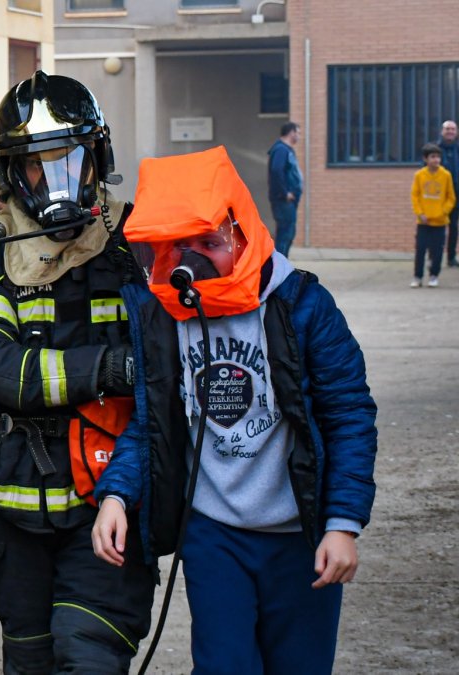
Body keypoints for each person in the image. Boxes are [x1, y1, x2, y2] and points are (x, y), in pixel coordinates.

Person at [93, 145, 377, 675]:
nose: (195, 257)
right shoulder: (166, 315)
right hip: (214, 531)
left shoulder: (302, 305)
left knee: (299, 664)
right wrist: (116, 492)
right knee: (224, 664)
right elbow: (153, 418)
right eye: (180, 245)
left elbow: (349, 416)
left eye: (210, 242)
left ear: (241, 235)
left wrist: (343, 523)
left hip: (298, 533)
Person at [0, 71, 152, 673]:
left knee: (88, 654)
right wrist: (111, 367)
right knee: (31, 659)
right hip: (17, 501)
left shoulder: (135, 241)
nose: (56, 177)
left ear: (98, 158)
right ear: (13, 172)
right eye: (39, 164)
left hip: (111, 495)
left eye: (70, 158)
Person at [410, 143, 456, 288]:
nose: (436, 160)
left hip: (440, 222)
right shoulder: (419, 175)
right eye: (433, 157)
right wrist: (420, 213)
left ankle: (434, 276)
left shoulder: (446, 175)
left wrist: (443, 211)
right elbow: (415, 196)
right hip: (423, 221)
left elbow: (451, 197)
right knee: (421, 250)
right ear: (425, 158)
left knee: (437, 252)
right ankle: (418, 277)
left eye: (438, 157)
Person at [267, 122, 302, 257]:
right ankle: (279, 267)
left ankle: (281, 265)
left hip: (287, 201)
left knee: (288, 232)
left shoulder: (286, 149)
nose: (299, 136)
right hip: (283, 200)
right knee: (285, 233)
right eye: (298, 133)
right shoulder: (281, 150)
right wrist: (285, 193)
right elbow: (276, 171)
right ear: (291, 132)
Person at [435, 121, 459, 267]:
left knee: (454, 226)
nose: (450, 131)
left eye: (453, 129)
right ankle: (435, 256)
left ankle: (451, 257)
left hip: (456, 193)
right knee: (437, 226)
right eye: (447, 129)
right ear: (442, 131)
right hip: (439, 194)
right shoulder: (434, 149)